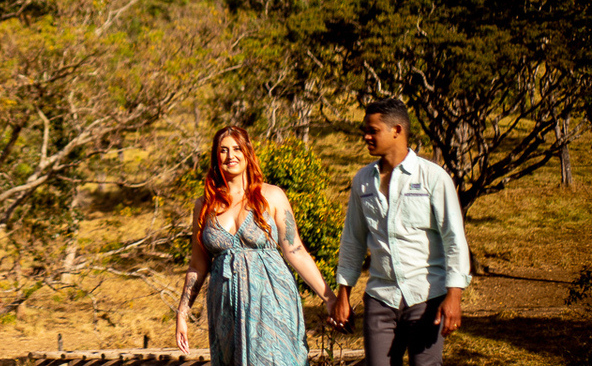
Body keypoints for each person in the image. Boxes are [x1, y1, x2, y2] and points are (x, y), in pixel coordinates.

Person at [176, 126, 337, 365]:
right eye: (223, 150)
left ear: (248, 153)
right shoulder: (204, 205)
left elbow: (295, 250)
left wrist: (329, 298)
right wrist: (182, 313)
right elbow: (198, 265)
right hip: (225, 308)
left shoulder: (271, 195)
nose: (230, 156)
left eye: (237, 149)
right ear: (215, 157)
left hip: (271, 300)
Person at [329, 98, 471, 366]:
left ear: (397, 130)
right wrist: (343, 295)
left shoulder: (432, 177)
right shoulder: (362, 180)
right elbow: (353, 240)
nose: (366, 137)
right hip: (380, 298)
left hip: (427, 297)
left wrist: (454, 295)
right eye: (365, 131)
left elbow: (454, 239)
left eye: (373, 131)